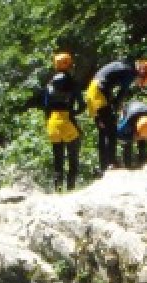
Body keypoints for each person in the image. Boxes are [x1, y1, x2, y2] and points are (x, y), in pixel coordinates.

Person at [85, 59, 147, 173]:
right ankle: (112, 163)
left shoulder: (125, 65)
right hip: (99, 93)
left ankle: (104, 166)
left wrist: (113, 104)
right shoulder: (131, 72)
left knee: (103, 131)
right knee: (111, 131)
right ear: (142, 73)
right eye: (141, 81)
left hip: (92, 92)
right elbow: (122, 92)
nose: (139, 83)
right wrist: (115, 106)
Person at [43, 52, 85, 191]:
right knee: (73, 156)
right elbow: (82, 105)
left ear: (56, 65)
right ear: (70, 65)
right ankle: (71, 188)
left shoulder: (50, 84)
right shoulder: (73, 83)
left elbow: (46, 107)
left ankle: (58, 189)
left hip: (52, 122)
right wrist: (74, 113)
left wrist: (48, 122)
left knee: (58, 158)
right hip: (67, 120)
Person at [116, 101, 147, 169]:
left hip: (144, 112)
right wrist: (131, 137)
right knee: (127, 142)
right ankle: (127, 165)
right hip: (129, 110)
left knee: (142, 142)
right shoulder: (128, 122)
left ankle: (142, 163)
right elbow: (117, 134)